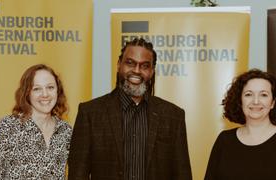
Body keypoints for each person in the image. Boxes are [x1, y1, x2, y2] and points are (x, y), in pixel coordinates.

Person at [68, 38, 192, 180]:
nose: (137, 71)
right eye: (130, 63)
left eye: (144, 66)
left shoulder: (173, 116)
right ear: (119, 65)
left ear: (152, 71)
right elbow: (77, 175)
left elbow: (183, 175)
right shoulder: (90, 113)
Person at [204, 69, 276, 180]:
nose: (256, 101)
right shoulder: (224, 140)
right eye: (248, 94)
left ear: (273, 103)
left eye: (263, 95)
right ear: (240, 101)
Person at [0, 64, 72, 179]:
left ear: (58, 91)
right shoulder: (8, 126)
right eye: (37, 89)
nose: (45, 94)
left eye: (50, 87)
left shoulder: (66, 131)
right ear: (27, 93)